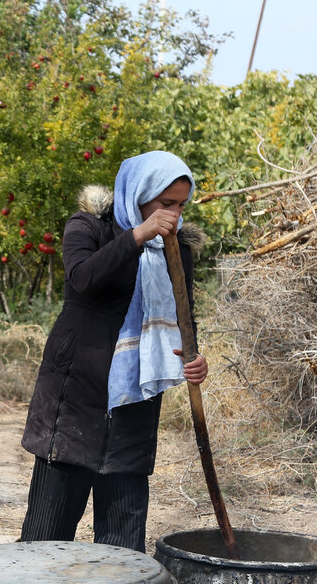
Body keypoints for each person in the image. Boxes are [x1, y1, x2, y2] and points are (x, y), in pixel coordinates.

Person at [19, 151, 208, 552]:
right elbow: (82, 279)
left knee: (122, 550)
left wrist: (193, 359)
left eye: (181, 206)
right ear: (138, 196)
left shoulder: (177, 252)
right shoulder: (87, 227)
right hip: (75, 399)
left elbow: (181, 318)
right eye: (165, 204)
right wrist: (138, 235)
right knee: (43, 542)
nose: (174, 215)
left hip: (134, 403)